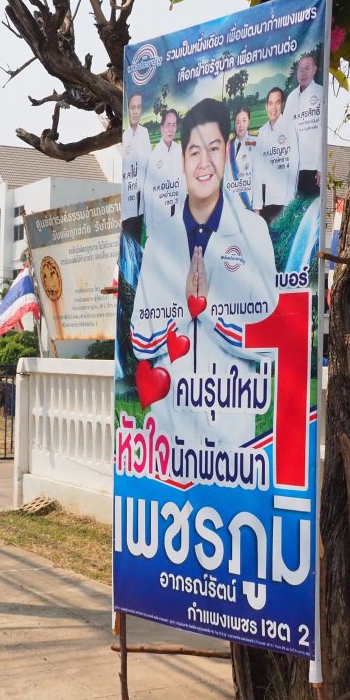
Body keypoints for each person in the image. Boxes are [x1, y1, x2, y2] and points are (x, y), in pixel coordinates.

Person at [130, 98, 277, 449]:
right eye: (194, 152)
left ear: (226, 151)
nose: (204, 163)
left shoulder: (253, 232)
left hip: (231, 442)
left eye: (213, 149)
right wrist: (185, 310)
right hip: (171, 437)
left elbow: (270, 342)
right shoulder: (160, 241)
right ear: (182, 160)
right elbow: (139, 338)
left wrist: (209, 311)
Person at [252, 87, 299, 225]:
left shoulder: (290, 128)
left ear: (282, 105)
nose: (273, 108)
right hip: (262, 201)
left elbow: (294, 164)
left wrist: (289, 202)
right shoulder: (261, 132)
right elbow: (256, 171)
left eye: (277, 102)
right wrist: (256, 206)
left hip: (282, 200)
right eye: (270, 103)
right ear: (266, 106)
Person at [284, 53, 324, 199]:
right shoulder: (291, 97)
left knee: (309, 207)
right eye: (300, 69)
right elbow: (285, 131)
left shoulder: (320, 92)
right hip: (293, 168)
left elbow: (322, 132)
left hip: (312, 167)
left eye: (307, 68)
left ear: (314, 69)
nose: (303, 73)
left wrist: (320, 166)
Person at [142, 108, 185, 238]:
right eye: (168, 125)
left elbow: (182, 187)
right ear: (162, 128)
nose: (171, 129)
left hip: (177, 220)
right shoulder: (154, 155)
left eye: (174, 125)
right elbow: (148, 193)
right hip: (159, 222)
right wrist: (150, 227)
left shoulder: (179, 151)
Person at [121, 93, 152, 241]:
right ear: (128, 110)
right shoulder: (124, 136)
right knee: (129, 239)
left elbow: (149, 164)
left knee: (141, 237)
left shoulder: (144, 133)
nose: (135, 111)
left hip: (143, 197)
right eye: (132, 107)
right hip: (128, 201)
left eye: (138, 107)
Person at [224, 106, 255, 212]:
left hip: (248, 203)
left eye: (244, 121)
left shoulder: (255, 142)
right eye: (237, 122)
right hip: (230, 204)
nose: (240, 125)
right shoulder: (228, 145)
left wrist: (257, 205)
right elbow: (226, 175)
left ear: (249, 122)